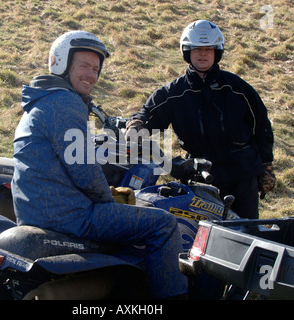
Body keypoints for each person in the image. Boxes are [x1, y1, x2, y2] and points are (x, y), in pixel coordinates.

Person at [11, 31, 188, 299]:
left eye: (95, 69)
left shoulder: (40, 101)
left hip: (39, 209)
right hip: (68, 217)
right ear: (61, 63)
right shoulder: (64, 102)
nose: (91, 75)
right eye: (84, 66)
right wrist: (107, 199)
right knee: (163, 224)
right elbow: (84, 171)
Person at [126, 20, 275, 219]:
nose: (202, 54)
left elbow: (262, 126)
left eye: (208, 49)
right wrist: (135, 125)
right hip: (201, 177)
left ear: (217, 52)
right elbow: (146, 116)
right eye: (196, 49)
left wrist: (267, 167)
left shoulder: (238, 88)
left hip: (242, 174)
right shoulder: (173, 93)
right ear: (187, 52)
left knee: (245, 231)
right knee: (201, 235)